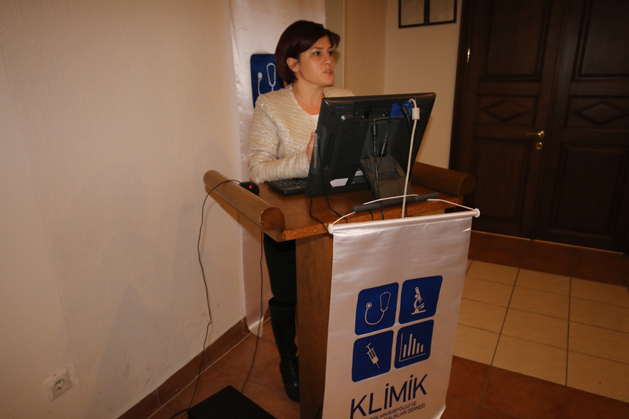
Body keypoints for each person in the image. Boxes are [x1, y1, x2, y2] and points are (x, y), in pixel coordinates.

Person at [247, 20, 353, 402]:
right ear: (293, 63)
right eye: (317, 53)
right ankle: (289, 361)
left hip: (338, 214)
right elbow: (257, 169)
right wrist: (304, 160)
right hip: (288, 219)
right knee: (288, 296)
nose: (328, 61)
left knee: (333, 292)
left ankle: (326, 353)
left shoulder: (345, 98)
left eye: (330, 52)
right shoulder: (271, 104)